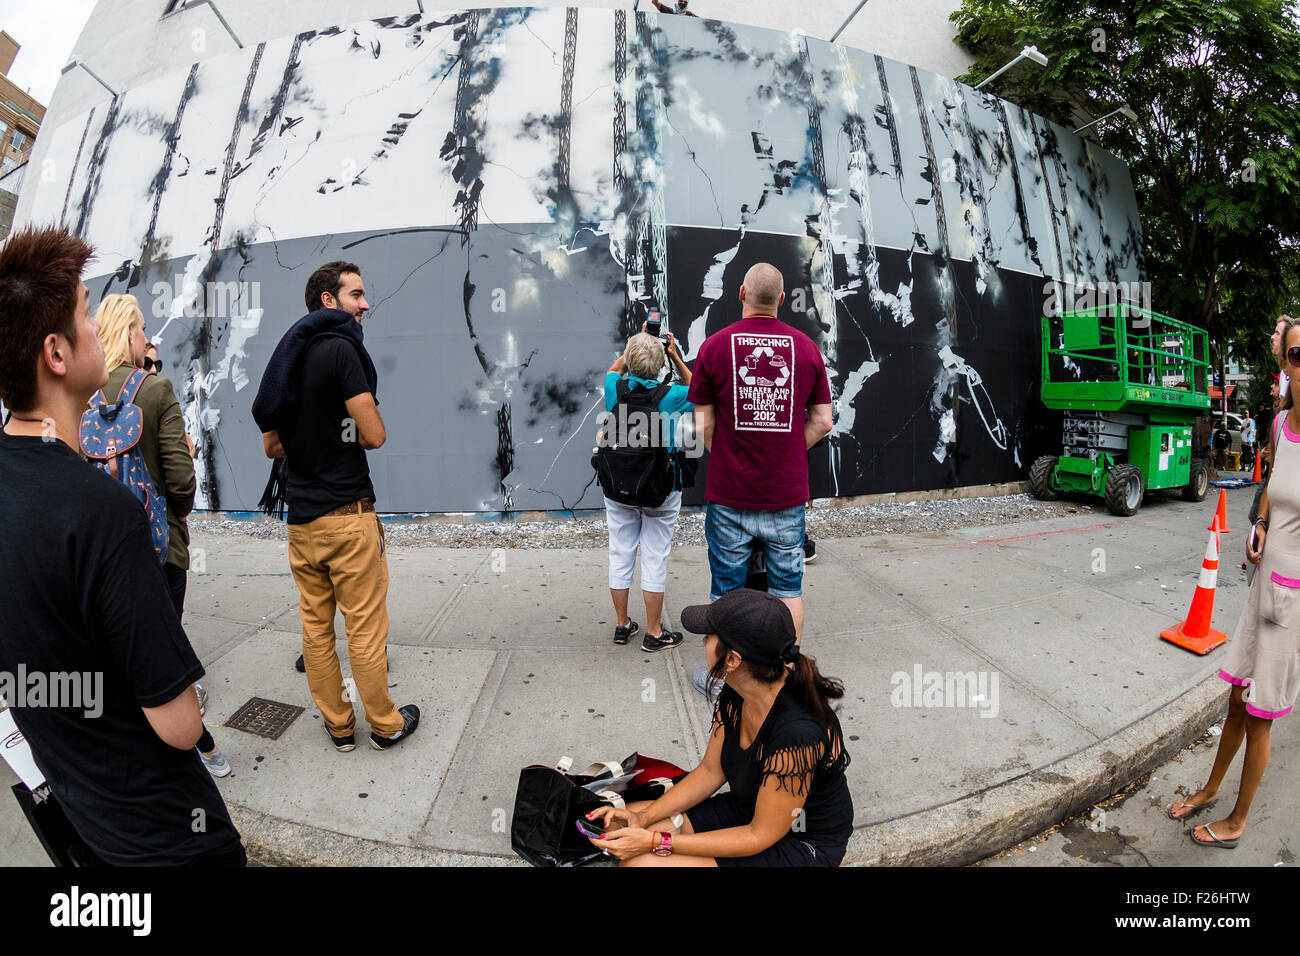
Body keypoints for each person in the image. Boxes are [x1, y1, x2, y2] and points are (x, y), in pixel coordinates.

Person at [0, 224, 244, 864]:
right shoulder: (101, 513)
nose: (96, 333)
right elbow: (181, 723)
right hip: (163, 837)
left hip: (79, 820)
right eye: (85, 316)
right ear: (57, 353)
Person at [252, 260, 419, 752]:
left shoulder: (287, 359)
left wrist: (311, 437)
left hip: (301, 523)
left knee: (316, 630)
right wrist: (342, 433)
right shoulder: (341, 350)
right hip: (348, 517)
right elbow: (375, 435)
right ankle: (386, 726)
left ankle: (339, 727)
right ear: (329, 300)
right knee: (365, 630)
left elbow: (271, 448)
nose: (365, 305)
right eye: (356, 295)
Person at [586, 588, 852, 866]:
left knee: (645, 862)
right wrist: (642, 819)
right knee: (625, 823)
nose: (702, 641)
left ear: (733, 659)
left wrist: (658, 842)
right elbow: (710, 772)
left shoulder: (797, 732)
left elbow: (759, 835)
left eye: (709, 636)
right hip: (747, 810)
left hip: (799, 841)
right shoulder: (739, 688)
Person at [1170, 316, 1300, 848]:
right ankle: (1210, 788)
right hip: (1261, 585)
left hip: (1291, 600)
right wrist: (1261, 523)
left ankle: (1238, 821)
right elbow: (1271, 483)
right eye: (1297, 354)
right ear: (1286, 363)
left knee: (1260, 714)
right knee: (1235, 700)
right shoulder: (1279, 426)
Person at [95, 293, 231, 777]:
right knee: (164, 650)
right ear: (128, 333)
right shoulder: (155, 389)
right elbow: (180, 478)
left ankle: (130, 750)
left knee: (123, 648)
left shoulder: (80, 395)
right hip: (158, 545)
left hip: (102, 552)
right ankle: (197, 746)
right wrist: (177, 517)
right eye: (143, 328)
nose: (147, 336)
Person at [687, 262, 833, 642]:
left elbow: (703, 424)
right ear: (782, 300)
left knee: (726, 594)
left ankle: (725, 681)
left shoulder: (714, 346)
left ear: (741, 294)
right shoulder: (806, 349)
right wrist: (787, 450)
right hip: (785, 498)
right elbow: (823, 421)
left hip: (730, 495)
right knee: (788, 590)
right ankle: (786, 675)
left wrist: (728, 456)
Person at [601, 329, 694, 652]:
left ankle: (623, 625)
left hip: (618, 486)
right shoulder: (671, 396)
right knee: (654, 556)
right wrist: (674, 356)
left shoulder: (615, 388)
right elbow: (699, 388)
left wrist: (637, 344)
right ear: (659, 365)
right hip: (659, 488)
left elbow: (614, 371)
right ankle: (654, 633)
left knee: (620, 552)